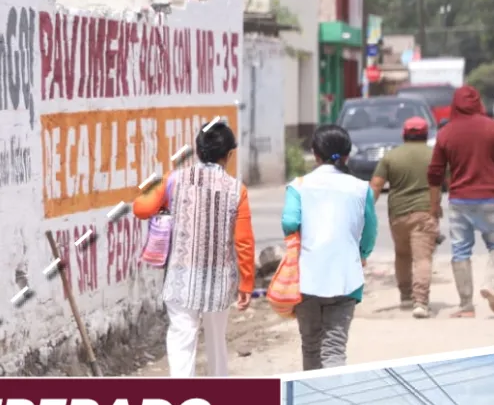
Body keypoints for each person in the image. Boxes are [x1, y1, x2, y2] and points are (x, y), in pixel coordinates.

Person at [133, 120, 255, 377]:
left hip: (181, 276)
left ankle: (183, 401)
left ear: (198, 151)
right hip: (219, 279)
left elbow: (140, 208)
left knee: (181, 339)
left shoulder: (174, 179)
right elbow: (244, 241)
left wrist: (162, 197)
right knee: (216, 340)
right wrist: (246, 283)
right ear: (229, 154)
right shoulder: (237, 189)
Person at [281, 125, 378, 370]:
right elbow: (370, 231)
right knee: (335, 348)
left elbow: (289, 221)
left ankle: (311, 402)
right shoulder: (361, 188)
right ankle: (333, 402)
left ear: (315, 153)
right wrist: (362, 254)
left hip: (306, 279)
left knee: (311, 345)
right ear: (347, 155)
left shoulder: (298, 185)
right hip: (347, 278)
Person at [426, 85, 494, 317]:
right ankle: (490, 284)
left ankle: (466, 306)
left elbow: (435, 173)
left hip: (459, 200)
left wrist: (434, 205)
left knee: (460, 250)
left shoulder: (446, 133)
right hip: (492, 198)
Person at [371, 116, 440, 319]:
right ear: (426, 134)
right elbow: (449, 180)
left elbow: (375, 186)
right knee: (422, 258)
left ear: (404, 134)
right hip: (425, 213)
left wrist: (363, 212)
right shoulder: (435, 155)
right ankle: (420, 301)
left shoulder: (390, 157)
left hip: (398, 216)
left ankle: (406, 296)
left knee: (402, 255)